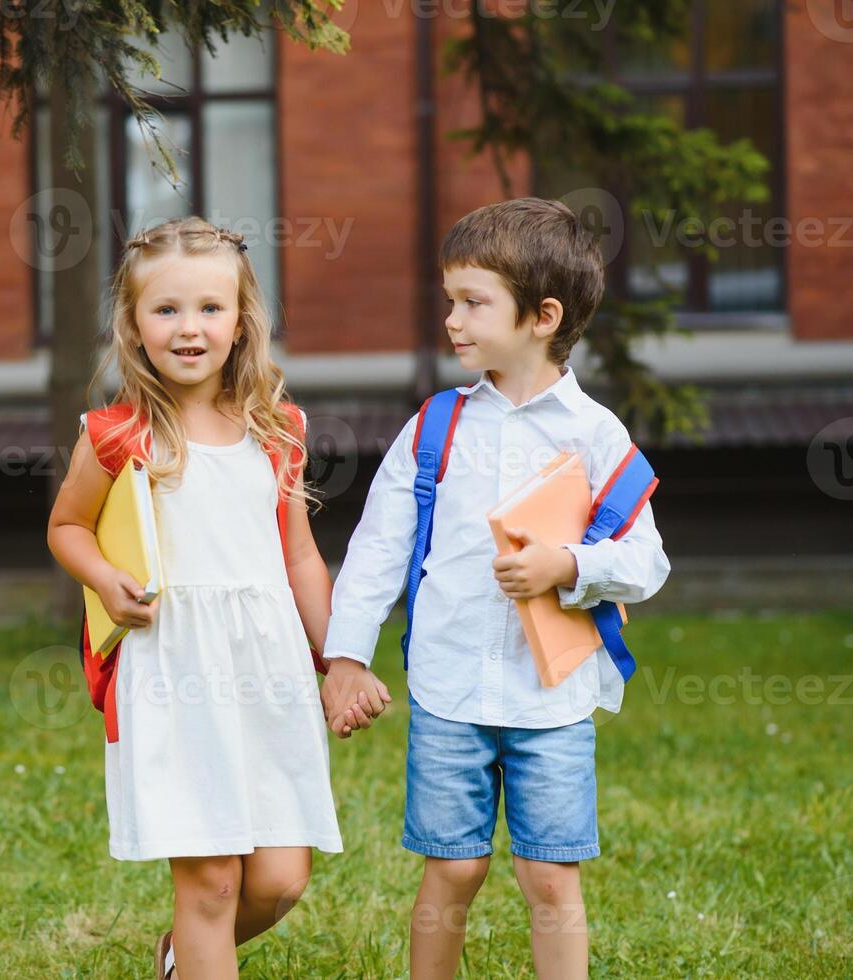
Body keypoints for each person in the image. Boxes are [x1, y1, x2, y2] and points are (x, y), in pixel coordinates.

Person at [322, 198, 671, 980]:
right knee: (454, 871)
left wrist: (570, 567)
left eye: (474, 302)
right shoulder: (436, 428)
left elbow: (647, 560)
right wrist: (345, 656)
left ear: (543, 316)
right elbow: (378, 547)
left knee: (549, 875)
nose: (454, 319)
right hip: (449, 690)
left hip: (552, 701)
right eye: (451, 300)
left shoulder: (595, 436)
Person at [47, 215, 382, 980]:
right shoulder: (117, 435)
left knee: (279, 879)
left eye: (209, 309)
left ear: (241, 321)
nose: (189, 328)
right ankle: (198, 952)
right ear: (134, 325)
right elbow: (67, 527)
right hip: (174, 671)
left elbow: (299, 557)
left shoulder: (277, 430)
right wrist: (104, 579)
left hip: (266, 673)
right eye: (166, 310)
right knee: (211, 882)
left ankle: (180, 960)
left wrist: (338, 660)